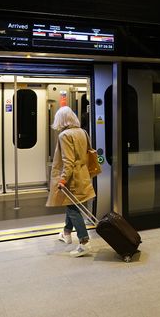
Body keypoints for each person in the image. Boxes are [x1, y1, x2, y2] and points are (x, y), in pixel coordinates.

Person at [46, 106, 96, 257]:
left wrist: (62, 179)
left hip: (72, 178)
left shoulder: (65, 135)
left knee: (73, 209)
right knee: (71, 204)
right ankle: (66, 233)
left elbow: (68, 161)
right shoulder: (82, 132)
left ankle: (84, 241)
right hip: (83, 175)